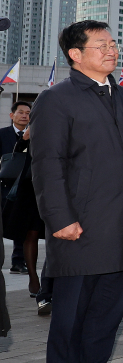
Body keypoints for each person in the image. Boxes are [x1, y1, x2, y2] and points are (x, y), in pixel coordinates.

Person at [31, 20, 123, 363]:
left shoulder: (122, 98)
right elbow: (46, 164)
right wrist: (60, 218)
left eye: (114, 43)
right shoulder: (56, 100)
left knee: (108, 309)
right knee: (71, 312)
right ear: (76, 54)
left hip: (122, 222)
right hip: (79, 225)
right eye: (101, 44)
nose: (112, 49)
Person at [2, 119, 43, 300]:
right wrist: (26, 138)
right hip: (31, 188)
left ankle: (51, 279)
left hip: (57, 186)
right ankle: (34, 278)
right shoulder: (34, 126)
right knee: (31, 233)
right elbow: (18, 152)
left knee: (55, 235)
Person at [4, 100, 32, 275]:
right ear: (12, 115)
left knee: (21, 225)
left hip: (23, 187)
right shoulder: (2, 134)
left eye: (28, 113)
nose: (24, 115)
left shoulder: (35, 135)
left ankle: (18, 261)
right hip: (4, 187)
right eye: (20, 112)